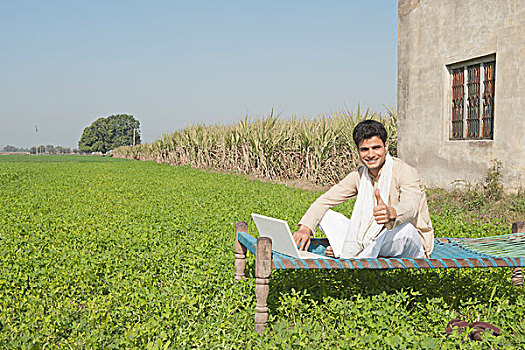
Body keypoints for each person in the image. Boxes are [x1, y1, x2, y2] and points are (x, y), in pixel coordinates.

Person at [293, 120, 434, 259]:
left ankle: (347, 250)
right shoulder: (359, 175)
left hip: (409, 239)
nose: (371, 154)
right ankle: (359, 249)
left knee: (405, 230)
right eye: (365, 149)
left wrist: (392, 213)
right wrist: (305, 228)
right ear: (358, 151)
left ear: (386, 146)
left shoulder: (405, 172)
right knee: (325, 215)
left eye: (376, 148)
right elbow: (325, 200)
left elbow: (411, 207)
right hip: (373, 235)